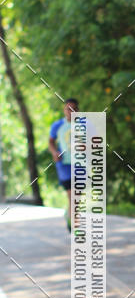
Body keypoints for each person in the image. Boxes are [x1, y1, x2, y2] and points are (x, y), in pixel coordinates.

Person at [49, 98, 79, 231]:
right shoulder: (57, 126)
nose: (71, 112)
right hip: (64, 165)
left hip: (80, 164)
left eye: (74, 109)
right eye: (68, 109)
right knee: (71, 194)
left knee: (76, 195)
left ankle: (70, 216)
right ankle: (75, 225)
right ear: (64, 110)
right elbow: (51, 142)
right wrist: (55, 152)